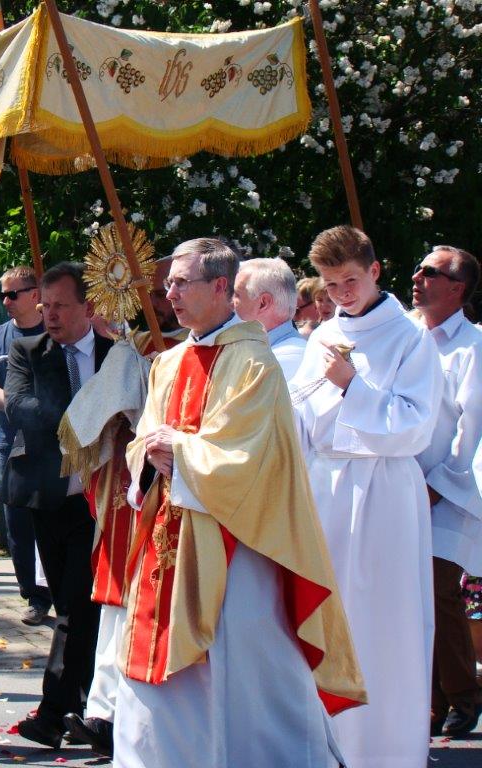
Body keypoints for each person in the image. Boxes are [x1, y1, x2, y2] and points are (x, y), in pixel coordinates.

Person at [117, 238, 365, 768]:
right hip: (169, 538)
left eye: (182, 283)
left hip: (235, 544)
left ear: (222, 288)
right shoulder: (169, 361)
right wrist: (148, 453)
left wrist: (174, 450)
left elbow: (247, 460)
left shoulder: (255, 364)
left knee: (244, 671)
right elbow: (143, 440)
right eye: (169, 283)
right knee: (163, 680)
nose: (169, 293)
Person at [291, 225, 443, 768]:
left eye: (351, 280)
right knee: (328, 620)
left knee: (384, 624)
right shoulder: (320, 336)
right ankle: (327, 747)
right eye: (331, 286)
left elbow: (416, 426)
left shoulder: (411, 337)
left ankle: (387, 751)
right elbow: (300, 416)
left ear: (375, 271)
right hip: (325, 486)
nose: (342, 295)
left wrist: (353, 385)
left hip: (383, 492)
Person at [4, 262, 113, 748]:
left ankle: (55, 713)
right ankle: (92, 714)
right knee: (74, 606)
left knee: (78, 606)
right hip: (50, 498)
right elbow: (20, 407)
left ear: (89, 307)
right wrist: (84, 415)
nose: (50, 316)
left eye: (61, 307)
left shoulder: (117, 354)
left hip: (103, 502)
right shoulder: (28, 351)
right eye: (45, 307)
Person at [57, 318, 153, 757]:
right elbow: (93, 416)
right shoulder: (135, 346)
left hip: (167, 495)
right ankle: (102, 714)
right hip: (124, 494)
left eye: (170, 289)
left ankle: (128, 716)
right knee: (115, 609)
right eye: (156, 292)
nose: (164, 300)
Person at [410, 245, 482, 737]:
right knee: (407, 594)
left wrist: (435, 487)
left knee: (436, 591)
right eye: (418, 268)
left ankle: (461, 695)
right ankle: (427, 701)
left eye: (430, 272)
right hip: (396, 488)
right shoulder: (408, 338)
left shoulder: (474, 346)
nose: (417, 276)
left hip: (445, 493)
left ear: (456, 289)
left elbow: (470, 428)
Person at [0, 265, 50, 625]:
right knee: (17, 518)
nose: (5, 300)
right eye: (2, 294)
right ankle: (34, 596)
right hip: (13, 439)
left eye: (13, 294)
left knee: (54, 514)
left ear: (34, 294)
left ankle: (59, 586)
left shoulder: (54, 331)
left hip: (54, 440)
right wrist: (16, 404)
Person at [233, 257, 307, 381]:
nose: (228, 303)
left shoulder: (281, 361)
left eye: (236, 295)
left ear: (263, 303)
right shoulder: (262, 352)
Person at [133, 257, 189, 357]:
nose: (151, 303)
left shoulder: (205, 344)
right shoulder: (137, 342)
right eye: (147, 295)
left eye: (161, 295)